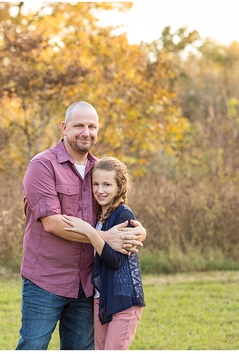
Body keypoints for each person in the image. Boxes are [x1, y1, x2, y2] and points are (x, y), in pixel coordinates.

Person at [18, 101, 147, 350]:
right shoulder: (42, 166)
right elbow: (53, 223)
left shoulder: (99, 170)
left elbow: (118, 213)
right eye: (79, 125)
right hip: (46, 280)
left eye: (92, 126)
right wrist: (105, 237)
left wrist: (139, 230)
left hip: (87, 284)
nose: (85, 132)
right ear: (65, 128)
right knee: (32, 347)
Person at [62, 156, 145, 350]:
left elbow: (115, 260)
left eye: (107, 184)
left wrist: (90, 233)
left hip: (124, 299)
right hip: (101, 298)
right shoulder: (98, 215)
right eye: (96, 184)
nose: (100, 190)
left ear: (120, 187)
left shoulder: (123, 215)